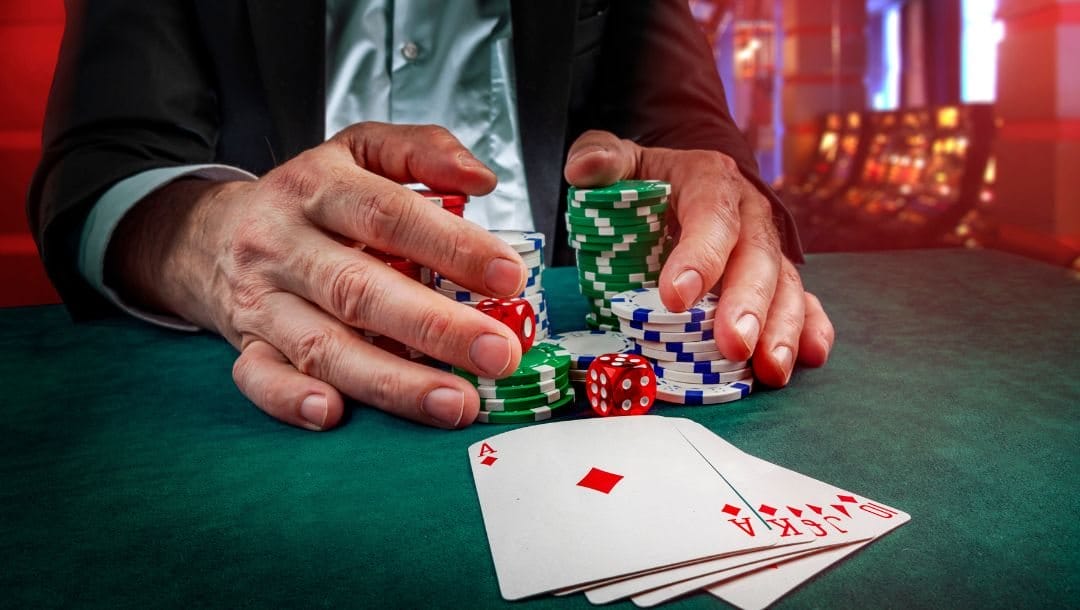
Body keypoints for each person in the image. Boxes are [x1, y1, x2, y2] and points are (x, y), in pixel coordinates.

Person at [28, 0, 834, 432]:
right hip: (272, 368)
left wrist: (724, 205)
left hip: (562, 350)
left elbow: (684, 132)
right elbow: (101, 160)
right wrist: (204, 240)